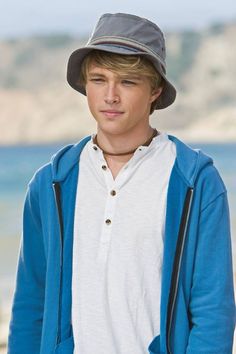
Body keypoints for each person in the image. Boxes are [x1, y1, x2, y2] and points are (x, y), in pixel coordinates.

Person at [8, 12, 235, 354]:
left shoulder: (194, 182)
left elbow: (213, 310)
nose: (110, 96)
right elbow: (31, 304)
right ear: (85, 85)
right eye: (99, 79)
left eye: (127, 82)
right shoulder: (51, 184)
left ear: (155, 91)